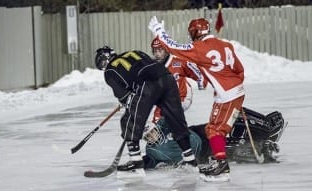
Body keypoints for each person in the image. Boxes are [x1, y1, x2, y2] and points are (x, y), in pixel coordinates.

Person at [149, 16, 245, 182]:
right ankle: (219, 162)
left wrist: (159, 31)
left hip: (228, 94)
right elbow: (239, 70)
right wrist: (235, 88)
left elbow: (174, 47)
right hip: (230, 93)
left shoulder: (201, 48)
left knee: (215, 130)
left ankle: (222, 166)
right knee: (212, 129)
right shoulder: (226, 45)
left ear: (194, 32)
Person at [94, 46, 198, 178]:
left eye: (102, 63)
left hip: (148, 84)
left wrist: (128, 101)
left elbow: (126, 97)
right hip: (167, 77)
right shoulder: (134, 51)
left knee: (128, 121)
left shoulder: (109, 71)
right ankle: (190, 161)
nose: (103, 66)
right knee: (175, 119)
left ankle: (136, 163)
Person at [142, 107, 286, 169]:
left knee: (226, 121)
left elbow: (171, 114)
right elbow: (147, 162)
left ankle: (264, 124)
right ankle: (259, 147)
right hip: (201, 152)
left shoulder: (163, 125)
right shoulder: (152, 150)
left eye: (152, 132)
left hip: (196, 133)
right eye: (148, 136)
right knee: (230, 148)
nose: (152, 136)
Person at [150, 37, 207, 123]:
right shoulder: (152, 67)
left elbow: (198, 72)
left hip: (183, 96)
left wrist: (204, 81)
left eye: (160, 50)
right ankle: (167, 132)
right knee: (158, 118)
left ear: (166, 50)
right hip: (167, 99)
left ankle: (177, 132)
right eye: (155, 51)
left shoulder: (178, 62)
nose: (157, 54)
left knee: (163, 113)